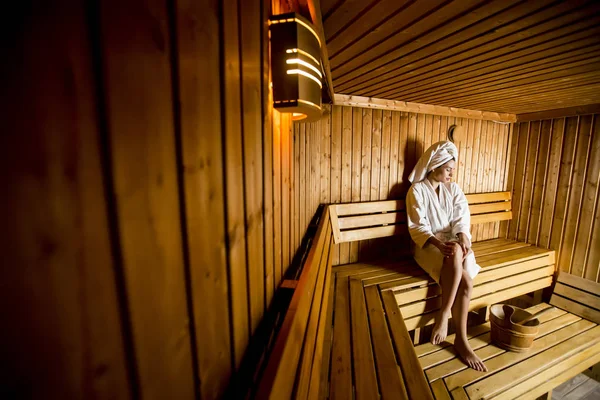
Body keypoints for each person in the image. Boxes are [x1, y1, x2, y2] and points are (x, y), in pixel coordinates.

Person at [405, 141, 488, 372]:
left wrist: (463, 239)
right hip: (427, 247)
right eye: (448, 168)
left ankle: (449, 323)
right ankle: (456, 333)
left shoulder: (454, 190)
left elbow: (462, 219)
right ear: (434, 166)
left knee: (460, 262)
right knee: (465, 278)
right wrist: (440, 245)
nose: (452, 172)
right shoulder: (417, 191)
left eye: (453, 168)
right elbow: (417, 227)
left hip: (452, 246)